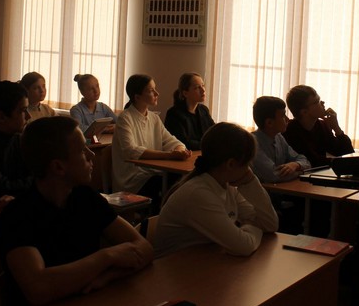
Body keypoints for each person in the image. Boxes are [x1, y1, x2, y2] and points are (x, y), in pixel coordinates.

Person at [0, 116, 153, 306]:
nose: (91, 155)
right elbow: (39, 289)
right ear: (58, 167)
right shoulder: (17, 216)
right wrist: (107, 257)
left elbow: (144, 248)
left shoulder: (86, 198)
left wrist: (107, 276)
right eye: (82, 151)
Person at [153, 122, 278, 257]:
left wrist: (251, 182)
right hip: (173, 266)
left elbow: (270, 224)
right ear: (231, 164)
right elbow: (244, 246)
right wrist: (252, 227)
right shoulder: (199, 194)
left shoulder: (226, 186)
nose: (249, 170)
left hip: (200, 262)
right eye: (247, 164)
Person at [111, 74, 190, 204]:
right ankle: (158, 215)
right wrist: (169, 155)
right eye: (151, 91)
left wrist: (180, 150)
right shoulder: (125, 118)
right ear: (137, 97)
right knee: (168, 185)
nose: (157, 93)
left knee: (180, 180)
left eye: (155, 89)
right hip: (133, 178)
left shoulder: (154, 118)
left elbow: (171, 140)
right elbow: (131, 151)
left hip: (152, 172)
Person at [282, 85, 354, 167]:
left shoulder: (321, 125)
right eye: (317, 102)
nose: (322, 103)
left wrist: (336, 128)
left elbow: (347, 153)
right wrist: (340, 162)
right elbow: (313, 161)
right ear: (304, 112)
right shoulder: (290, 131)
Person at [251, 96, 310, 183]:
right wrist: (301, 172)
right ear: (269, 123)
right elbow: (274, 175)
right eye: (283, 115)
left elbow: (303, 160)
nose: (287, 119)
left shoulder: (278, 137)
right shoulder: (251, 144)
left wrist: (295, 164)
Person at [164, 72, 215, 150]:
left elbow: (214, 133)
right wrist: (210, 145)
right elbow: (183, 142)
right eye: (197, 87)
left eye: (203, 85)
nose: (203, 90)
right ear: (185, 93)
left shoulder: (204, 110)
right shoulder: (174, 114)